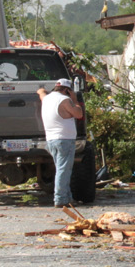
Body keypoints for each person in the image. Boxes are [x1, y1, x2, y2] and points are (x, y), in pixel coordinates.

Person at [37, 78, 84, 207]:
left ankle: (67, 197)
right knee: (64, 170)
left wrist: (41, 90)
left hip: (51, 139)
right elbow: (78, 114)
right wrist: (74, 99)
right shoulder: (65, 100)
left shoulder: (46, 98)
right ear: (66, 90)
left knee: (61, 169)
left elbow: (40, 92)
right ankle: (60, 198)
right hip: (64, 139)